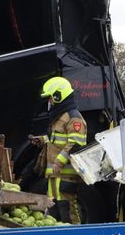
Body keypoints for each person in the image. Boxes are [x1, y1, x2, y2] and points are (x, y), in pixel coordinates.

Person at [28, 76, 88, 223]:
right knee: (54, 208)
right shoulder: (60, 117)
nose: (49, 102)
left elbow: (75, 143)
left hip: (66, 174)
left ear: (58, 96)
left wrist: (58, 162)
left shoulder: (74, 118)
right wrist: (42, 140)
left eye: (51, 98)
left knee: (68, 209)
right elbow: (57, 139)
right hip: (55, 175)